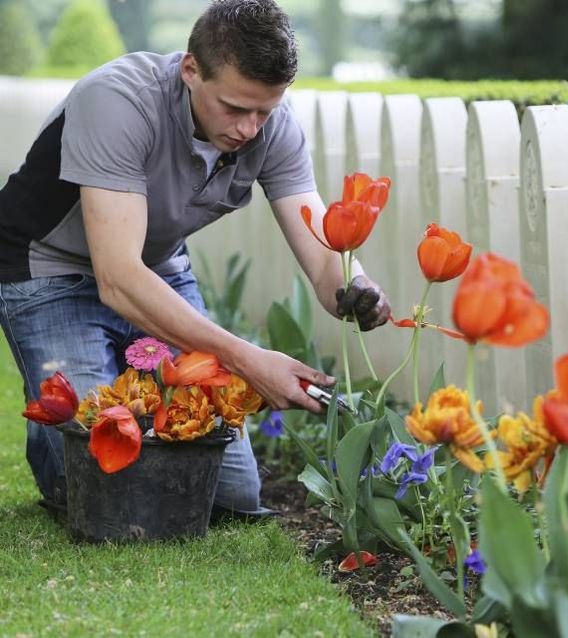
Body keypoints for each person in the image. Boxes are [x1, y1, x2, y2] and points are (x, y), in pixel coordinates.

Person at [0, 0, 390, 517]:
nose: (250, 129)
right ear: (190, 70)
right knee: (100, 491)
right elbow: (117, 281)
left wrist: (356, 287)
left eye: (264, 111)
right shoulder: (118, 101)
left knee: (228, 497)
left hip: (156, 270)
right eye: (234, 108)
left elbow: (323, 258)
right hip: (48, 269)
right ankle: (59, 443)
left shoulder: (271, 126)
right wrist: (246, 360)